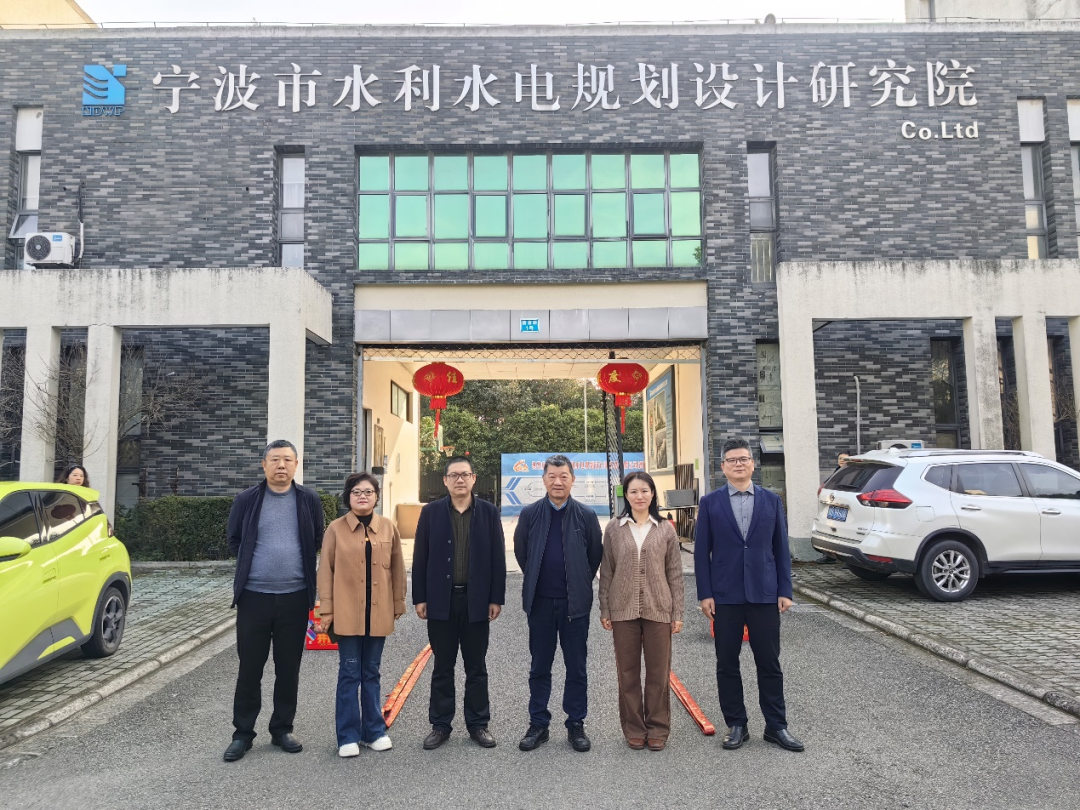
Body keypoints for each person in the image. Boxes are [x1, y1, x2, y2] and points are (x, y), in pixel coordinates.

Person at [694, 437, 804, 753]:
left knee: (769, 662)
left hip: (764, 593)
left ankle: (776, 726)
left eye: (744, 459)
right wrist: (705, 594)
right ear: (723, 466)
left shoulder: (771, 501)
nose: (738, 464)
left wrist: (785, 590)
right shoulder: (710, 503)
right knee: (727, 663)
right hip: (725, 595)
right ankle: (737, 724)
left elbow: (780, 548)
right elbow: (702, 553)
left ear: (753, 464)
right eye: (732, 460)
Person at [223, 439, 325, 762]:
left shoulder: (308, 499)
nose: (281, 465)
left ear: (296, 465)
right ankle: (242, 734)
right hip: (254, 598)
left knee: (288, 668)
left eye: (287, 460)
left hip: (295, 598)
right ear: (264, 465)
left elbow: (317, 538)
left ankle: (282, 728)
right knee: (250, 668)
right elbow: (234, 540)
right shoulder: (247, 499)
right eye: (275, 460)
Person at [413, 456, 506, 750]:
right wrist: (420, 597)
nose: (460, 480)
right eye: (454, 475)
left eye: (465, 474)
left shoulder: (489, 513)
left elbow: (498, 558)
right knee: (443, 666)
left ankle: (478, 724)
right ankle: (440, 725)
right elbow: (420, 557)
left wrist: (496, 598)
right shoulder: (431, 512)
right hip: (441, 600)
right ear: (445, 481)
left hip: (476, 600)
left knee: (476, 666)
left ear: (474, 478)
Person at [514, 454, 603, 753]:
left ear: (572, 480)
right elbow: (522, 553)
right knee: (539, 666)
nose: (557, 482)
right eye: (552, 476)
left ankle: (576, 724)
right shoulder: (530, 514)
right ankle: (538, 723)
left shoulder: (586, 516)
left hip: (574, 606)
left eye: (563, 476)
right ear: (543, 480)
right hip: (540, 603)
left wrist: (578, 582)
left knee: (576, 667)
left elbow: (594, 556)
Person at [318, 472, 406, 758]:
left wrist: (398, 602)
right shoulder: (335, 529)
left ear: (376, 497)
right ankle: (347, 736)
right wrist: (327, 609)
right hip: (346, 614)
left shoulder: (388, 527)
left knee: (371, 672)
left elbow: (397, 568)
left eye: (368, 491)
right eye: (356, 492)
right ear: (348, 497)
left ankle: (374, 732)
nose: (363, 496)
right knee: (349, 673)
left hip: (378, 612)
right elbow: (325, 571)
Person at [598, 471, 684, 751]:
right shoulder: (614, 528)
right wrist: (605, 607)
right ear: (626, 495)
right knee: (628, 673)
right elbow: (607, 570)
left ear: (653, 494)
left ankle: (657, 727)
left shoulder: (665, 529)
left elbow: (674, 573)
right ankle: (634, 728)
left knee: (658, 673)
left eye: (644, 491)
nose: (639, 496)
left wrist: (678, 612)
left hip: (659, 608)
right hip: (622, 609)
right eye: (633, 491)